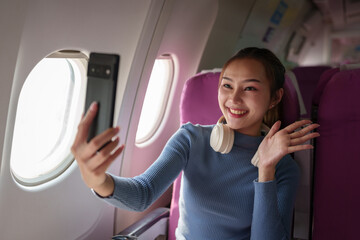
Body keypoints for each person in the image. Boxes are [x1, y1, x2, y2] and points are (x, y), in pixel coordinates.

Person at [71, 47, 320, 239]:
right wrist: (96, 179)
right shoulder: (191, 138)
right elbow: (142, 194)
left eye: (250, 89)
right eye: (227, 85)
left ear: (275, 97)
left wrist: (266, 170)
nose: (234, 98)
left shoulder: (283, 167)